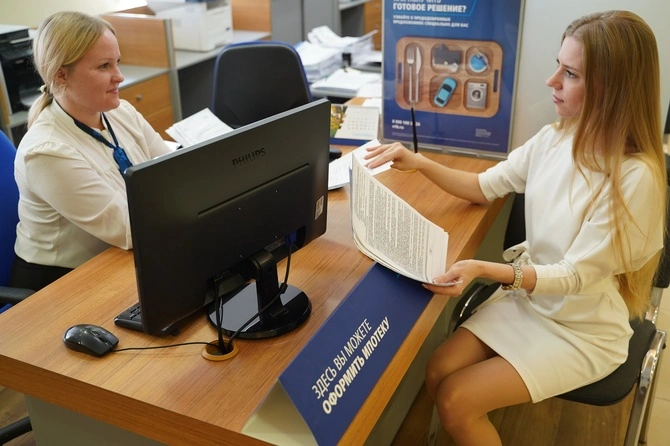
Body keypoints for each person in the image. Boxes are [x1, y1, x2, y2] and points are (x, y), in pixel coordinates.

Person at [365, 10, 666, 445]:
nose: (551, 81)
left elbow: (574, 276)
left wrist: (484, 270)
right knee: (439, 370)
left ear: (612, 89)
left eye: (570, 74)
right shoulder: (555, 138)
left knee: (456, 400)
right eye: (559, 66)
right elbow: (482, 187)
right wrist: (419, 162)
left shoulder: (636, 178)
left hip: (581, 327)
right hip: (530, 302)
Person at [11, 11, 173, 291]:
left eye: (117, 62)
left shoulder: (121, 112)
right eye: (104, 66)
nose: (119, 76)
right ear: (61, 74)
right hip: (60, 283)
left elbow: (172, 170)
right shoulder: (47, 152)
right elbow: (131, 229)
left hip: (120, 255)